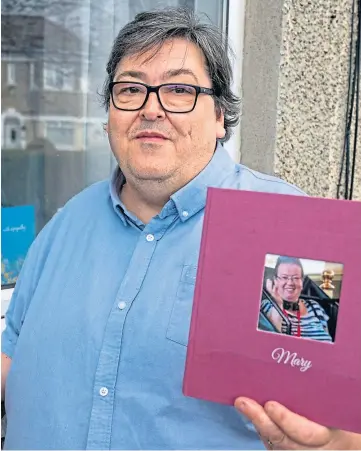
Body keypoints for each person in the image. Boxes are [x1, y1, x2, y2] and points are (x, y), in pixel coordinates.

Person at [1, 7, 360, 450]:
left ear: (220, 117)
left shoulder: (288, 231)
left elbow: (339, 412)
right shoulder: (67, 223)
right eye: (131, 89)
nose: (151, 108)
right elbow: (12, 353)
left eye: (178, 90)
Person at [261, 256, 333, 342]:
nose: (290, 283)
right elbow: (273, 341)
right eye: (284, 277)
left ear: (302, 282)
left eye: (296, 278)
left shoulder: (314, 307)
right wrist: (278, 302)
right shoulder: (267, 306)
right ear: (275, 281)